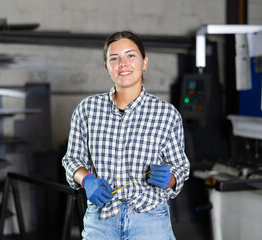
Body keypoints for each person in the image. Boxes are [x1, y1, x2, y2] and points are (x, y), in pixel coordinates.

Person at [62, 30, 190, 240]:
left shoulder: (167, 114)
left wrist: (170, 179)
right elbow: (72, 159)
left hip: (150, 220)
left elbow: (181, 168)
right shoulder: (87, 109)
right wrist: (87, 180)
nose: (123, 63)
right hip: (101, 221)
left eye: (131, 55)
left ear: (144, 62)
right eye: (114, 58)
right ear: (107, 67)